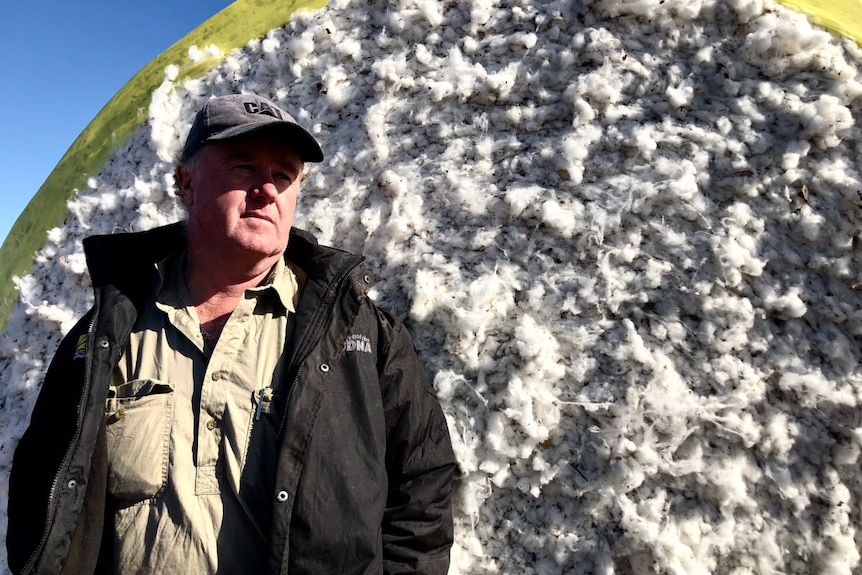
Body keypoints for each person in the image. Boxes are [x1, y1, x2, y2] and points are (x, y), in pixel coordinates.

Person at [7, 94, 457, 575]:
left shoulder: (363, 337)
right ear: (187, 183)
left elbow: (423, 491)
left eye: (284, 175)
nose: (267, 189)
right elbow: (42, 491)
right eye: (243, 167)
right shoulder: (106, 335)